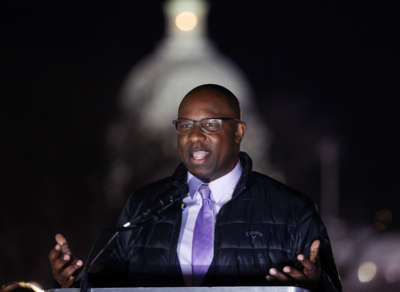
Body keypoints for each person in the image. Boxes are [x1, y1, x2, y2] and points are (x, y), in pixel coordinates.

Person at [49, 84, 342, 291]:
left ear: (239, 131)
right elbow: (108, 288)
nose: (195, 136)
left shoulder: (291, 210)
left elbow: (329, 287)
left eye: (210, 125)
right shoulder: (143, 206)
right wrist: (72, 283)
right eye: (185, 126)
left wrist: (313, 287)